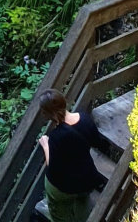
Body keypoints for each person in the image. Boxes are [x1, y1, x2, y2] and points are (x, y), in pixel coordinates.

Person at [36, 89, 115, 221]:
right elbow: (97, 142)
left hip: (63, 187)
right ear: (64, 102)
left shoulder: (56, 136)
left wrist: (46, 146)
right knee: (82, 204)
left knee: (60, 215)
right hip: (85, 180)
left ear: (47, 114)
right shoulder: (85, 119)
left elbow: (53, 168)